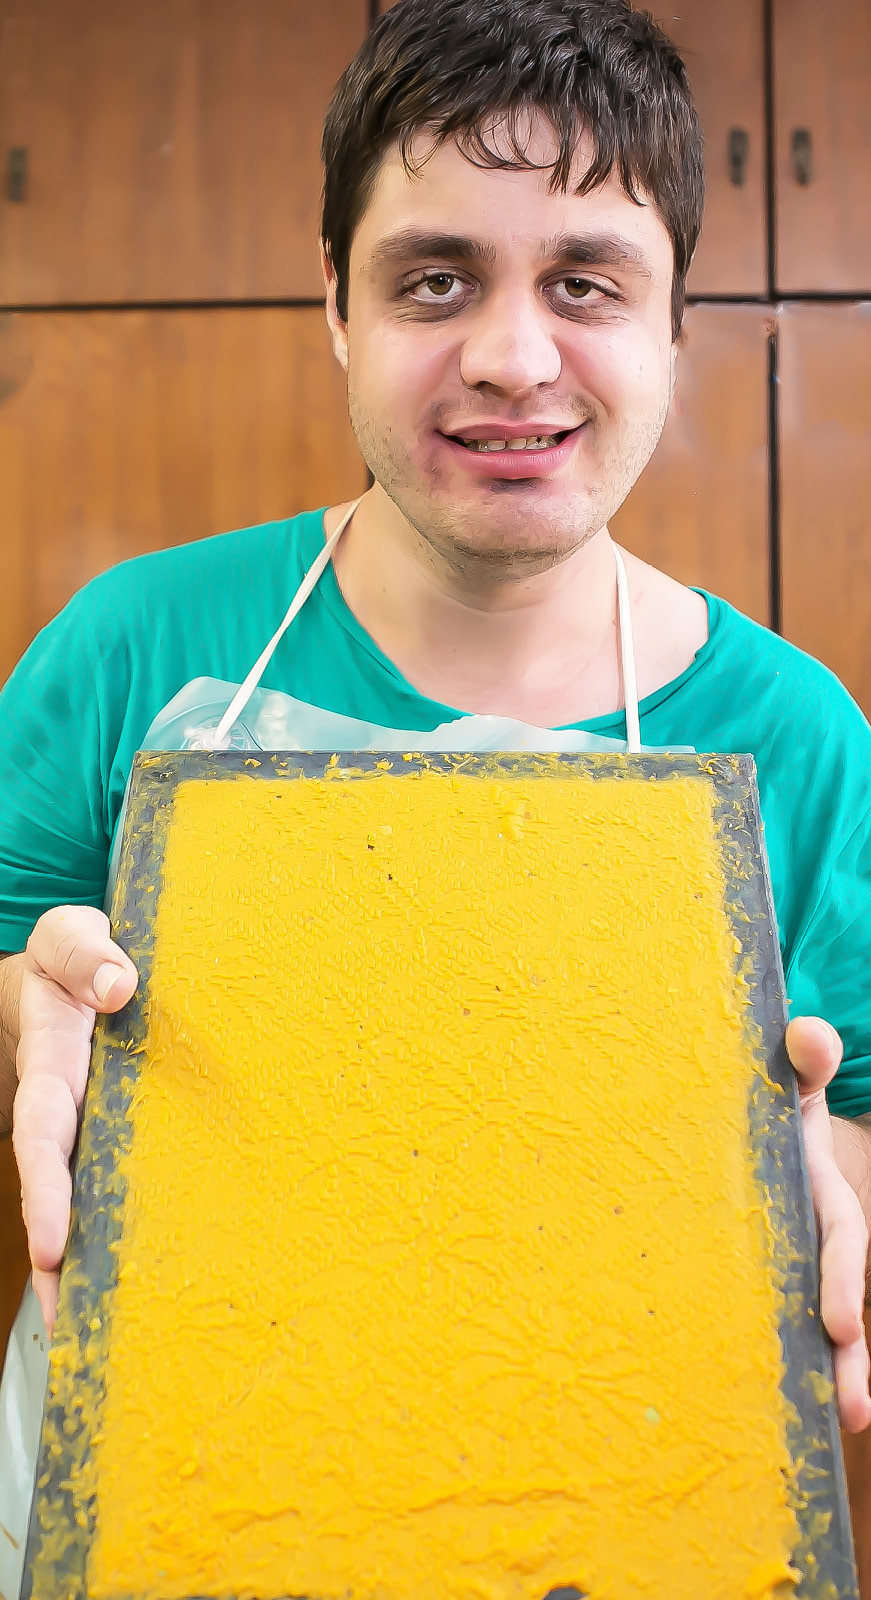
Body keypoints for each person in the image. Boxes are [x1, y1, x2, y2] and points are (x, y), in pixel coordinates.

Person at [1, 0, 871, 1576]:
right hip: (179, 1498)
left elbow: (854, 1113)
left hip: (617, 1496)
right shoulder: (131, 650)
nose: (514, 357)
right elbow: (10, 964)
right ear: (336, 302)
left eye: (587, 283)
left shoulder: (798, 734)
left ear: (676, 318)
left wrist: (804, 1207)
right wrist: (25, 1000)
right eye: (435, 280)